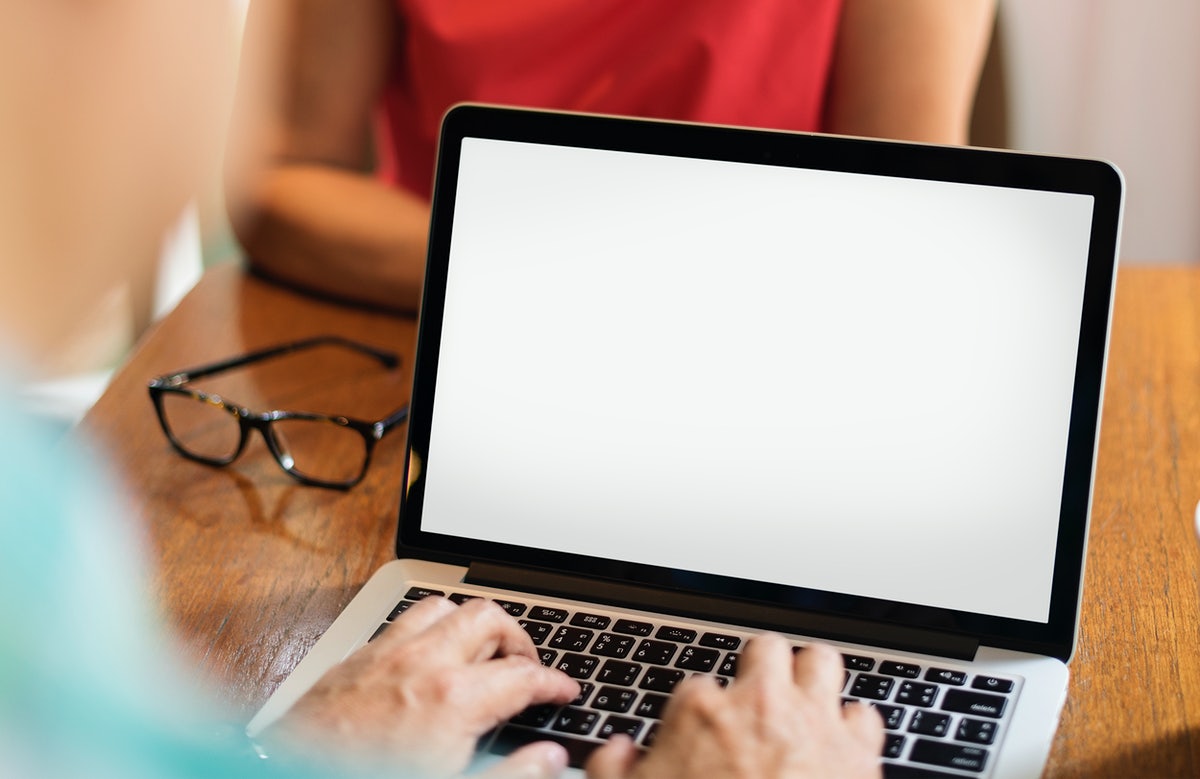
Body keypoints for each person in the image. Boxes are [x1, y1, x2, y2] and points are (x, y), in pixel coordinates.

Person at [1, 2, 883, 778]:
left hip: (795, 454)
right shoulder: (46, 548)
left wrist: (321, 752)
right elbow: (281, 178)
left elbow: (905, 201)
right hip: (498, 427)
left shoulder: (46, 526)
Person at [226, 0, 996, 312]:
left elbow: (904, 222)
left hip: (764, 343)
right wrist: (556, 279)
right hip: (443, 353)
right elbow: (279, 180)